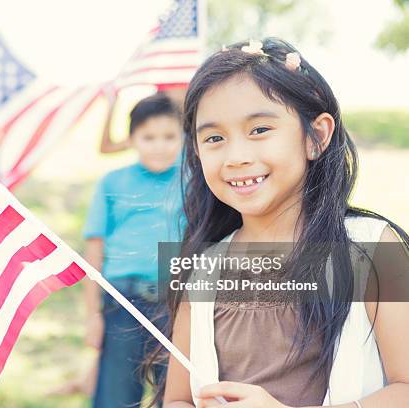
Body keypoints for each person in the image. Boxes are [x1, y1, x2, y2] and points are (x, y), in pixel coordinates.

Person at [152, 38, 409, 407]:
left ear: (316, 136)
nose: (236, 156)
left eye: (259, 130)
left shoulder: (373, 251)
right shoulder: (203, 269)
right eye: (214, 138)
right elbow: (178, 398)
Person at [82, 93, 185, 408]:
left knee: (175, 395)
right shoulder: (113, 183)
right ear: (132, 139)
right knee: (115, 397)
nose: (159, 146)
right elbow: (94, 248)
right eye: (148, 137)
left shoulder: (193, 180)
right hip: (122, 302)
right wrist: (92, 315)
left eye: (169, 136)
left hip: (177, 304)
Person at [99, 84, 187, 154]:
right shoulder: (152, 122)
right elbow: (107, 147)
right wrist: (111, 105)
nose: (160, 147)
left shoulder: (193, 128)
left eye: (169, 137)